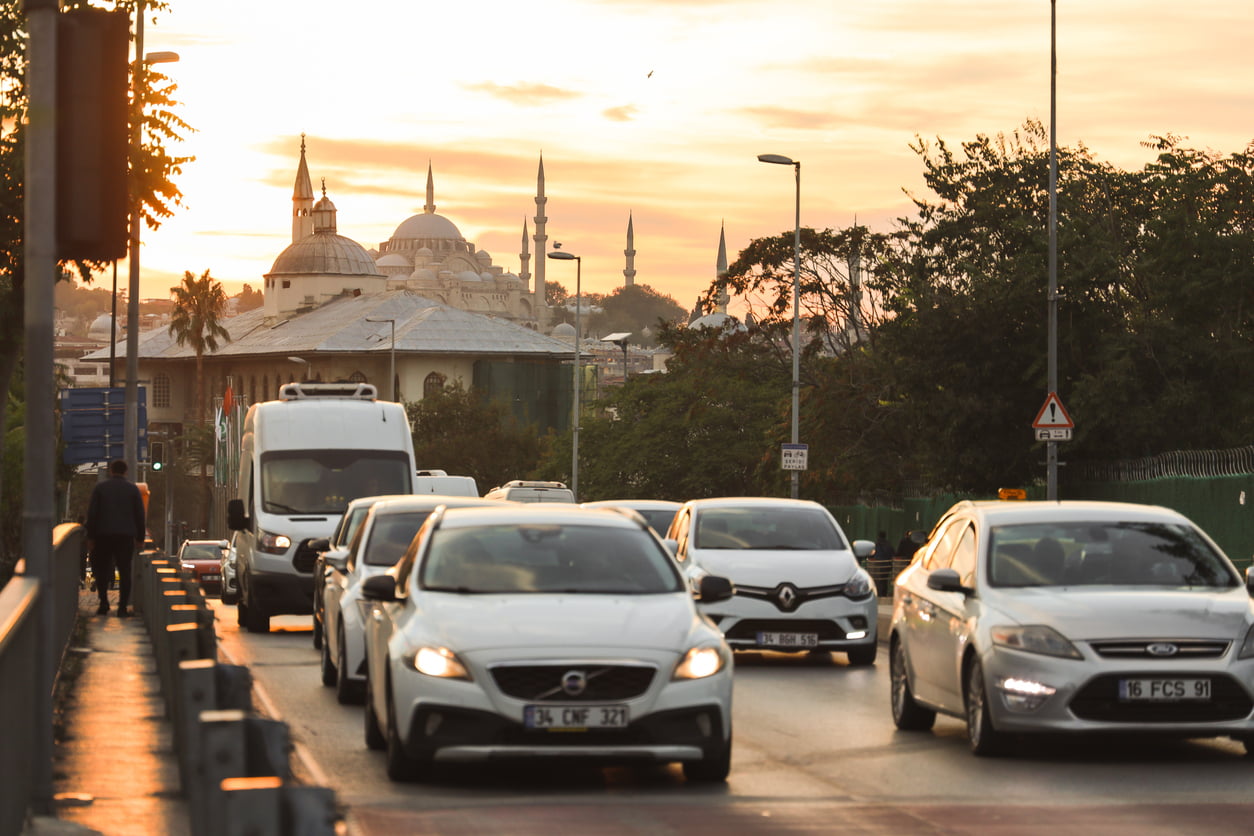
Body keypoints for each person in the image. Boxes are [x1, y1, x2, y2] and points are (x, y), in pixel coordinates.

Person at [85, 459, 146, 616]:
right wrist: (140, 538)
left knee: (102, 570)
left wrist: (90, 537)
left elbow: (92, 514)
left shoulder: (100, 488)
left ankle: (104, 603)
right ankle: (122, 607)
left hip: (103, 535)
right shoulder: (132, 490)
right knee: (125, 571)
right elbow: (140, 515)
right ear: (125, 472)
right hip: (125, 537)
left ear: (111, 471)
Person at [870, 531, 895, 595]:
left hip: (876, 565)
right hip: (886, 565)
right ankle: (884, 593)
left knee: (877, 581)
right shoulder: (888, 544)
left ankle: (878, 593)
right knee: (884, 581)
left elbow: (871, 554)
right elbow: (893, 554)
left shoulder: (876, 545)